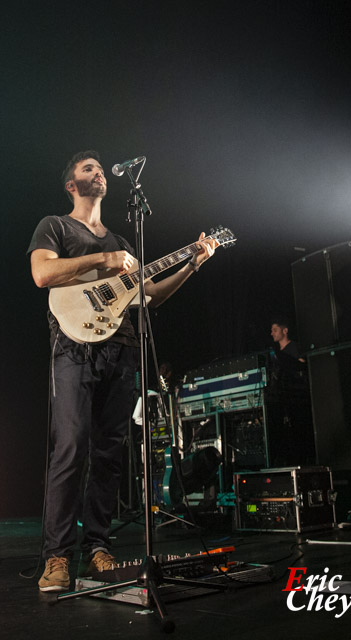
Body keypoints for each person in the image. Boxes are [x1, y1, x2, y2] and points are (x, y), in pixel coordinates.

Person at [28, 150, 218, 592]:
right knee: (71, 447)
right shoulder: (55, 226)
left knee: (110, 454)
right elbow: (42, 274)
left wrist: (193, 262)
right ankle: (56, 557)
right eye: (88, 168)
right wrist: (102, 261)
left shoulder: (124, 242)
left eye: (99, 168)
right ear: (71, 185)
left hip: (121, 350)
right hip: (72, 349)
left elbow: (149, 296)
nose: (98, 172)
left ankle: (98, 547)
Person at [266, 317, 314, 467]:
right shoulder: (274, 354)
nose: (272, 333)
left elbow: (303, 368)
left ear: (285, 331)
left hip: (296, 400)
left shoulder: (294, 348)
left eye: (275, 330)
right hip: (280, 399)